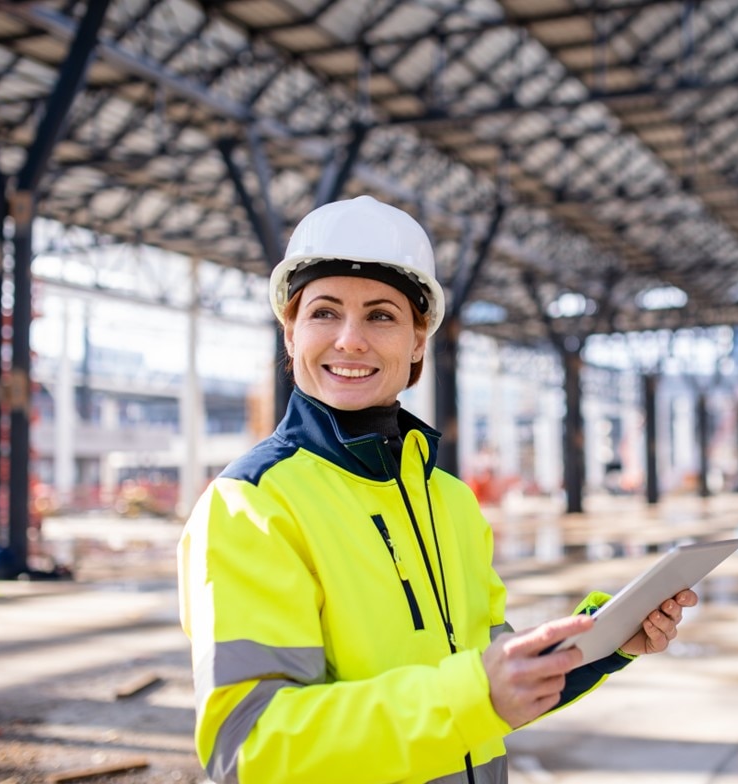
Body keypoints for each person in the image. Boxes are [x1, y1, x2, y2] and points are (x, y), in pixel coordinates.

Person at [177, 195, 698, 784]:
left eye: (380, 316)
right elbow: (249, 747)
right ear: (290, 333)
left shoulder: (447, 499)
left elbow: (493, 674)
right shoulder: (252, 504)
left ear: (419, 340)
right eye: (324, 313)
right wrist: (474, 696)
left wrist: (602, 644)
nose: (350, 340)